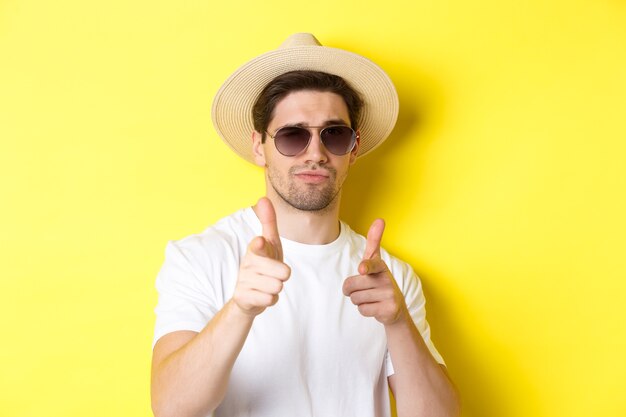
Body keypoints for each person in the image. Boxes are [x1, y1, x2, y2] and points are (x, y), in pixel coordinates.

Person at [150, 33, 460, 417]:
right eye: (293, 135)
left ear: (354, 148)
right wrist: (240, 309)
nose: (315, 153)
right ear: (259, 146)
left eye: (334, 134)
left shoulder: (390, 278)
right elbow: (170, 408)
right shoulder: (200, 258)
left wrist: (397, 323)